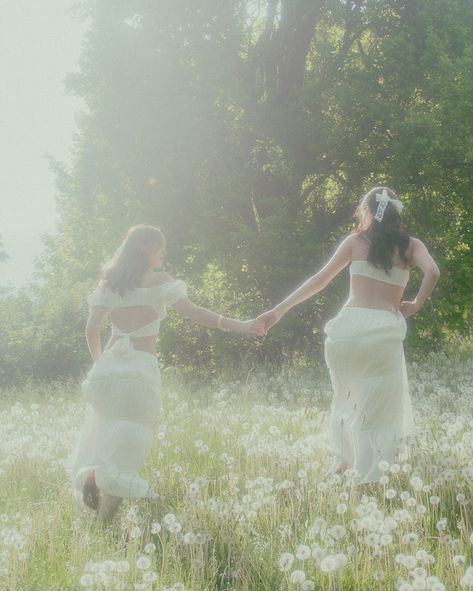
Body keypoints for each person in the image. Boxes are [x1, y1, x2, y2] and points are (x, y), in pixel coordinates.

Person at [72, 224, 264, 520]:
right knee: (128, 444)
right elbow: (195, 313)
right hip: (138, 372)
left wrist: (100, 364)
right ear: (146, 247)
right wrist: (240, 325)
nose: (164, 252)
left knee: (105, 433)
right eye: (160, 247)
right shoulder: (160, 280)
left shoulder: (111, 284)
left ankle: (93, 477)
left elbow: (91, 328)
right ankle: (103, 521)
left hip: (106, 373)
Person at [257, 187, 440, 483]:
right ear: (397, 213)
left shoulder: (355, 242)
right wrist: (416, 304)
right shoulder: (411, 246)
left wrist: (277, 311)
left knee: (345, 398)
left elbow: (318, 280)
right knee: (378, 407)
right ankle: (369, 476)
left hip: (347, 330)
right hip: (382, 332)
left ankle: (342, 465)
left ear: (367, 211)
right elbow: (432, 272)